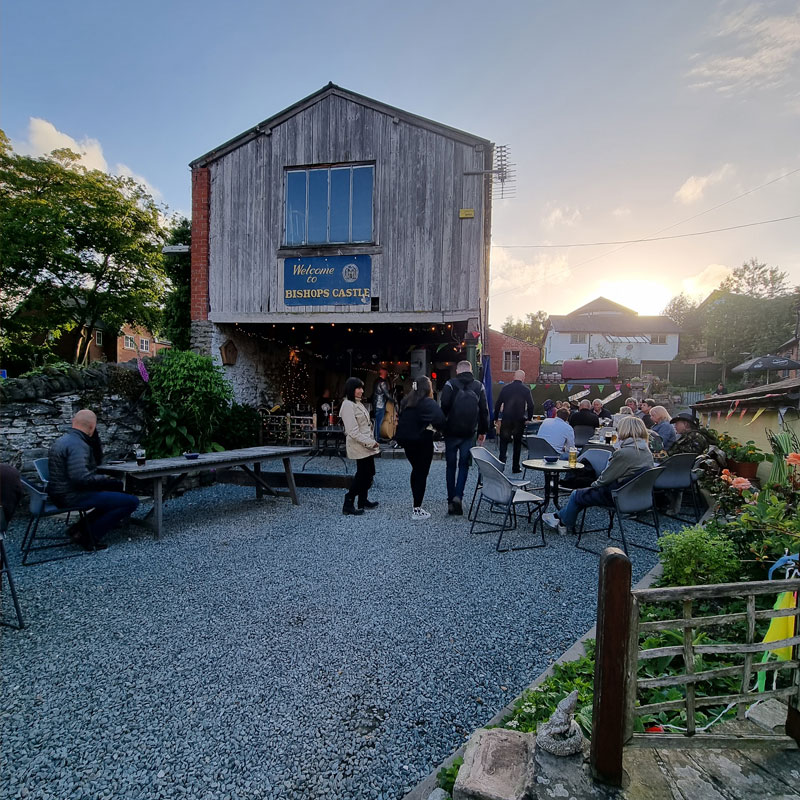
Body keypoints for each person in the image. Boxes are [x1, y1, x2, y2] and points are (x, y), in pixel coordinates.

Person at [542, 417, 654, 535]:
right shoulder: (646, 452)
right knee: (582, 495)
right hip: (638, 496)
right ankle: (558, 517)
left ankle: (563, 522)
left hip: (618, 496)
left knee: (576, 494)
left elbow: (605, 478)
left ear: (624, 430)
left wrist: (593, 485)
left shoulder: (624, 453)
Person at [47, 409, 139, 550]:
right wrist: (105, 478)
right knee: (131, 501)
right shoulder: (78, 445)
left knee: (115, 490)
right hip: (72, 496)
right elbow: (80, 478)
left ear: (73, 422)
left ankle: (78, 529)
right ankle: (89, 537)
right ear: (92, 427)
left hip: (59, 493)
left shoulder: (62, 440)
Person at [440, 360, 489, 516]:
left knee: (450, 466)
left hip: (451, 432)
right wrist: (483, 431)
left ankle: (450, 501)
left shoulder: (450, 384)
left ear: (457, 371)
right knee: (464, 466)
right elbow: (484, 411)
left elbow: (444, 406)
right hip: (468, 433)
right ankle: (458, 496)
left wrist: (442, 426)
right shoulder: (479, 386)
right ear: (470, 371)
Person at [395, 376, 446, 520]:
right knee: (422, 473)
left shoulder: (406, 401)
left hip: (406, 441)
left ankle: (415, 503)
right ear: (427, 388)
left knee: (416, 470)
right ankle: (417, 509)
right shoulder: (427, 402)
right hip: (422, 441)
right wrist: (437, 429)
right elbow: (440, 419)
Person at [339, 377, 380, 515]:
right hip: (359, 445)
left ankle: (363, 500)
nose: (362, 391)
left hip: (367, 445)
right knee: (363, 475)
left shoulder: (358, 403)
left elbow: (366, 425)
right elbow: (352, 431)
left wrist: (371, 441)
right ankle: (348, 501)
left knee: (368, 473)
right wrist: (370, 442)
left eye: (362, 388)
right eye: (359, 388)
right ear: (351, 389)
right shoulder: (347, 405)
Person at [493, 369, 534, 473]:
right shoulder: (525, 389)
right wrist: (529, 418)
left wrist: (496, 418)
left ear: (513, 377)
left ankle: (501, 465)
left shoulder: (505, 388)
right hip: (519, 420)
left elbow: (498, 404)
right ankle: (515, 467)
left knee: (503, 443)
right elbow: (531, 405)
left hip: (506, 419)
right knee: (517, 444)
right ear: (523, 379)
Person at [371, 368, 392, 441]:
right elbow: (387, 394)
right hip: (380, 404)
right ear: (384, 372)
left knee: (377, 421)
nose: (387, 374)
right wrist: (393, 400)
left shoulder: (376, 381)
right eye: (386, 372)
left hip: (376, 403)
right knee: (378, 422)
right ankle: (376, 438)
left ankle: (377, 437)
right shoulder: (382, 382)